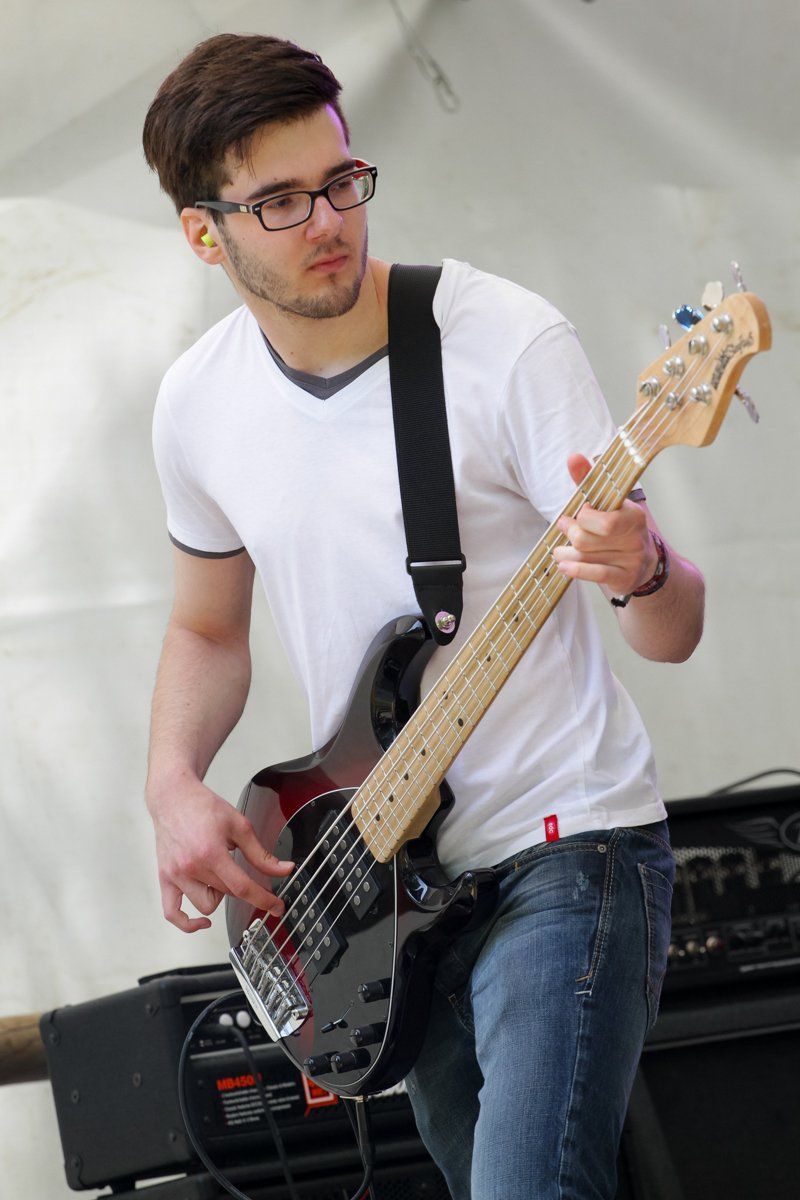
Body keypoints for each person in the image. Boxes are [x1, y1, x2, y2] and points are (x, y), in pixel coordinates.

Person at [142, 33, 704, 1200]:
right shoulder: (196, 404)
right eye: (280, 201)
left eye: (342, 181)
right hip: (387, 892)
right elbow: (206, 629)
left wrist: (643, 569)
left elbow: (669, 630)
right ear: (203, 234)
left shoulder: (502, 338)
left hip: (567, 842)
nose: (328, 222)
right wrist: (171, 785)